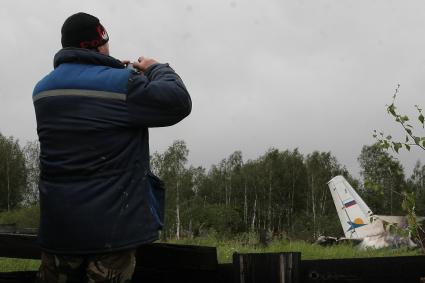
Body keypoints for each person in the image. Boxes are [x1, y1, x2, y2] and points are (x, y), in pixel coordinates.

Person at [32, 12, 192, 283]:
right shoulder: (123, 85)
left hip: (61, 229)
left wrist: (112, 73)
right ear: (97, 44)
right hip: (112, 232)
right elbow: (178, 102)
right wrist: (155, 68)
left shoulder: (43, 90)